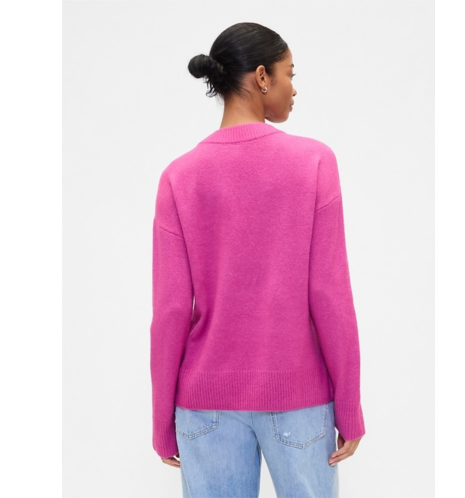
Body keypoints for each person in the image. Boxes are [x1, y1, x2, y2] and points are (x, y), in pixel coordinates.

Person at [150, 22, 365, 498]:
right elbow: (329, 293)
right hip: (299, 399)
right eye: (290, 73)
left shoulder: (179, 177)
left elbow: (169, 311)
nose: (295, 88)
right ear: (263, 76)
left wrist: (163, 418)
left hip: (204, 405)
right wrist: (349, 406)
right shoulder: (314, 162)